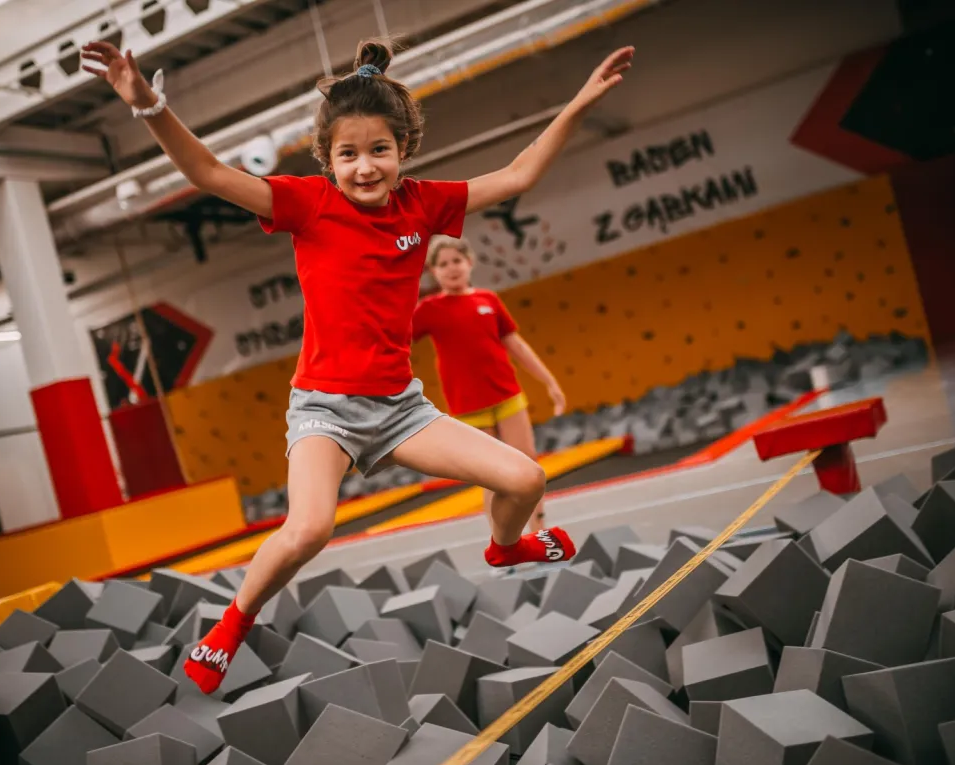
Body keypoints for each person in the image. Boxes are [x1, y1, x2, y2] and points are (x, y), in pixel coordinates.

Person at [82, 36, 633, 694]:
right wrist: (148, 105)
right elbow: (207, 173)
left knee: (526, 479)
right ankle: (232, 623)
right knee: (310, 527)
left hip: (401, 410)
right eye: (348, 154)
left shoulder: (423, 204)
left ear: (404, 151)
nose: (365, 167)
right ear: (327, 157)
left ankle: (506, 543)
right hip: (324, 409)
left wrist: (579, 101)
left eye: (380, 151)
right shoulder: (306, 204)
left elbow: (517, 174)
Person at [413, 237, 565, 532]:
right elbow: (396, 338)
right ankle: (503, 541)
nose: (451, 268)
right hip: (468, 407)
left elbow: (517, 346)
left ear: (470, 262)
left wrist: (550, 382)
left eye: (456, 261)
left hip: (507, 397)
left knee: (529, 468)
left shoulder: (488, 300)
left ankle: (540, 531)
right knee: (493, 478)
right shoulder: (429, 310)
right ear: (433, 271)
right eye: (443, 264)